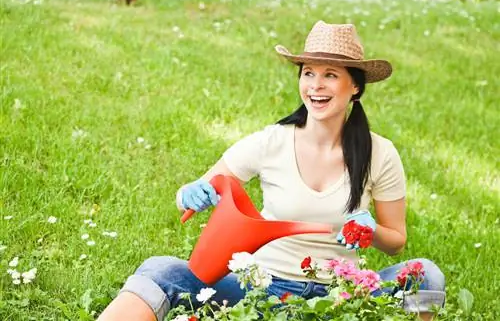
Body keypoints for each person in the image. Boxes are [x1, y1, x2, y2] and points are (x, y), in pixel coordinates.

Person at [98, 21, 445, 321]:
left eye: (330, 75)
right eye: (308, 73)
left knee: (425, 275)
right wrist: (188, 192)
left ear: (355, 86)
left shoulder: (380, 153)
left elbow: (396, 243)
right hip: (261, 290)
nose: (315, 85)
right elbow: (200, 189)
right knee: (162, 270)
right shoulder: (271, 142)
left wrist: (373, 230)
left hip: (341, 296)